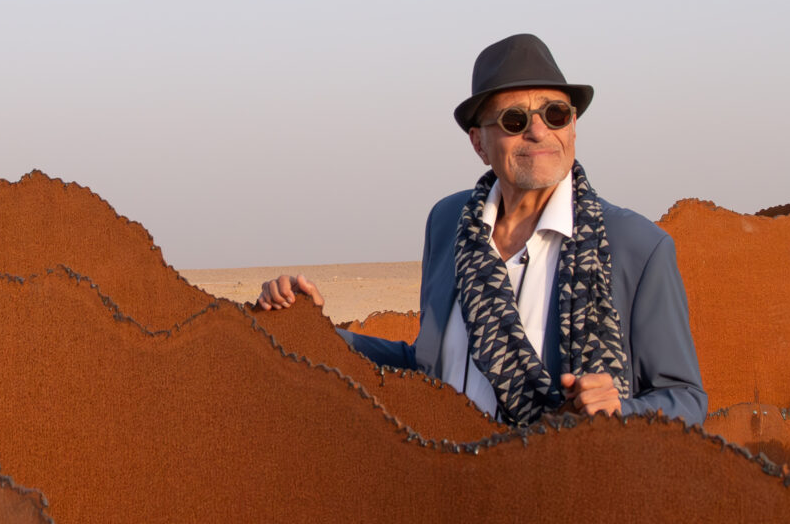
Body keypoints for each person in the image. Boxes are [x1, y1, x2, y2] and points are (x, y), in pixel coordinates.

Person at [256, 33, 707, 427]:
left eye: (556, 114)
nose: (538, 131)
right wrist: (315, 331)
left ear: (573, 127)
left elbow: (686, 397)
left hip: (555, 493)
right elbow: (430, 365)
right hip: (449, 490)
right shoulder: (450, 223)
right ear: (479, 143)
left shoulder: (637, 247)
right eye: (514, 120)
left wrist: (620, 410)